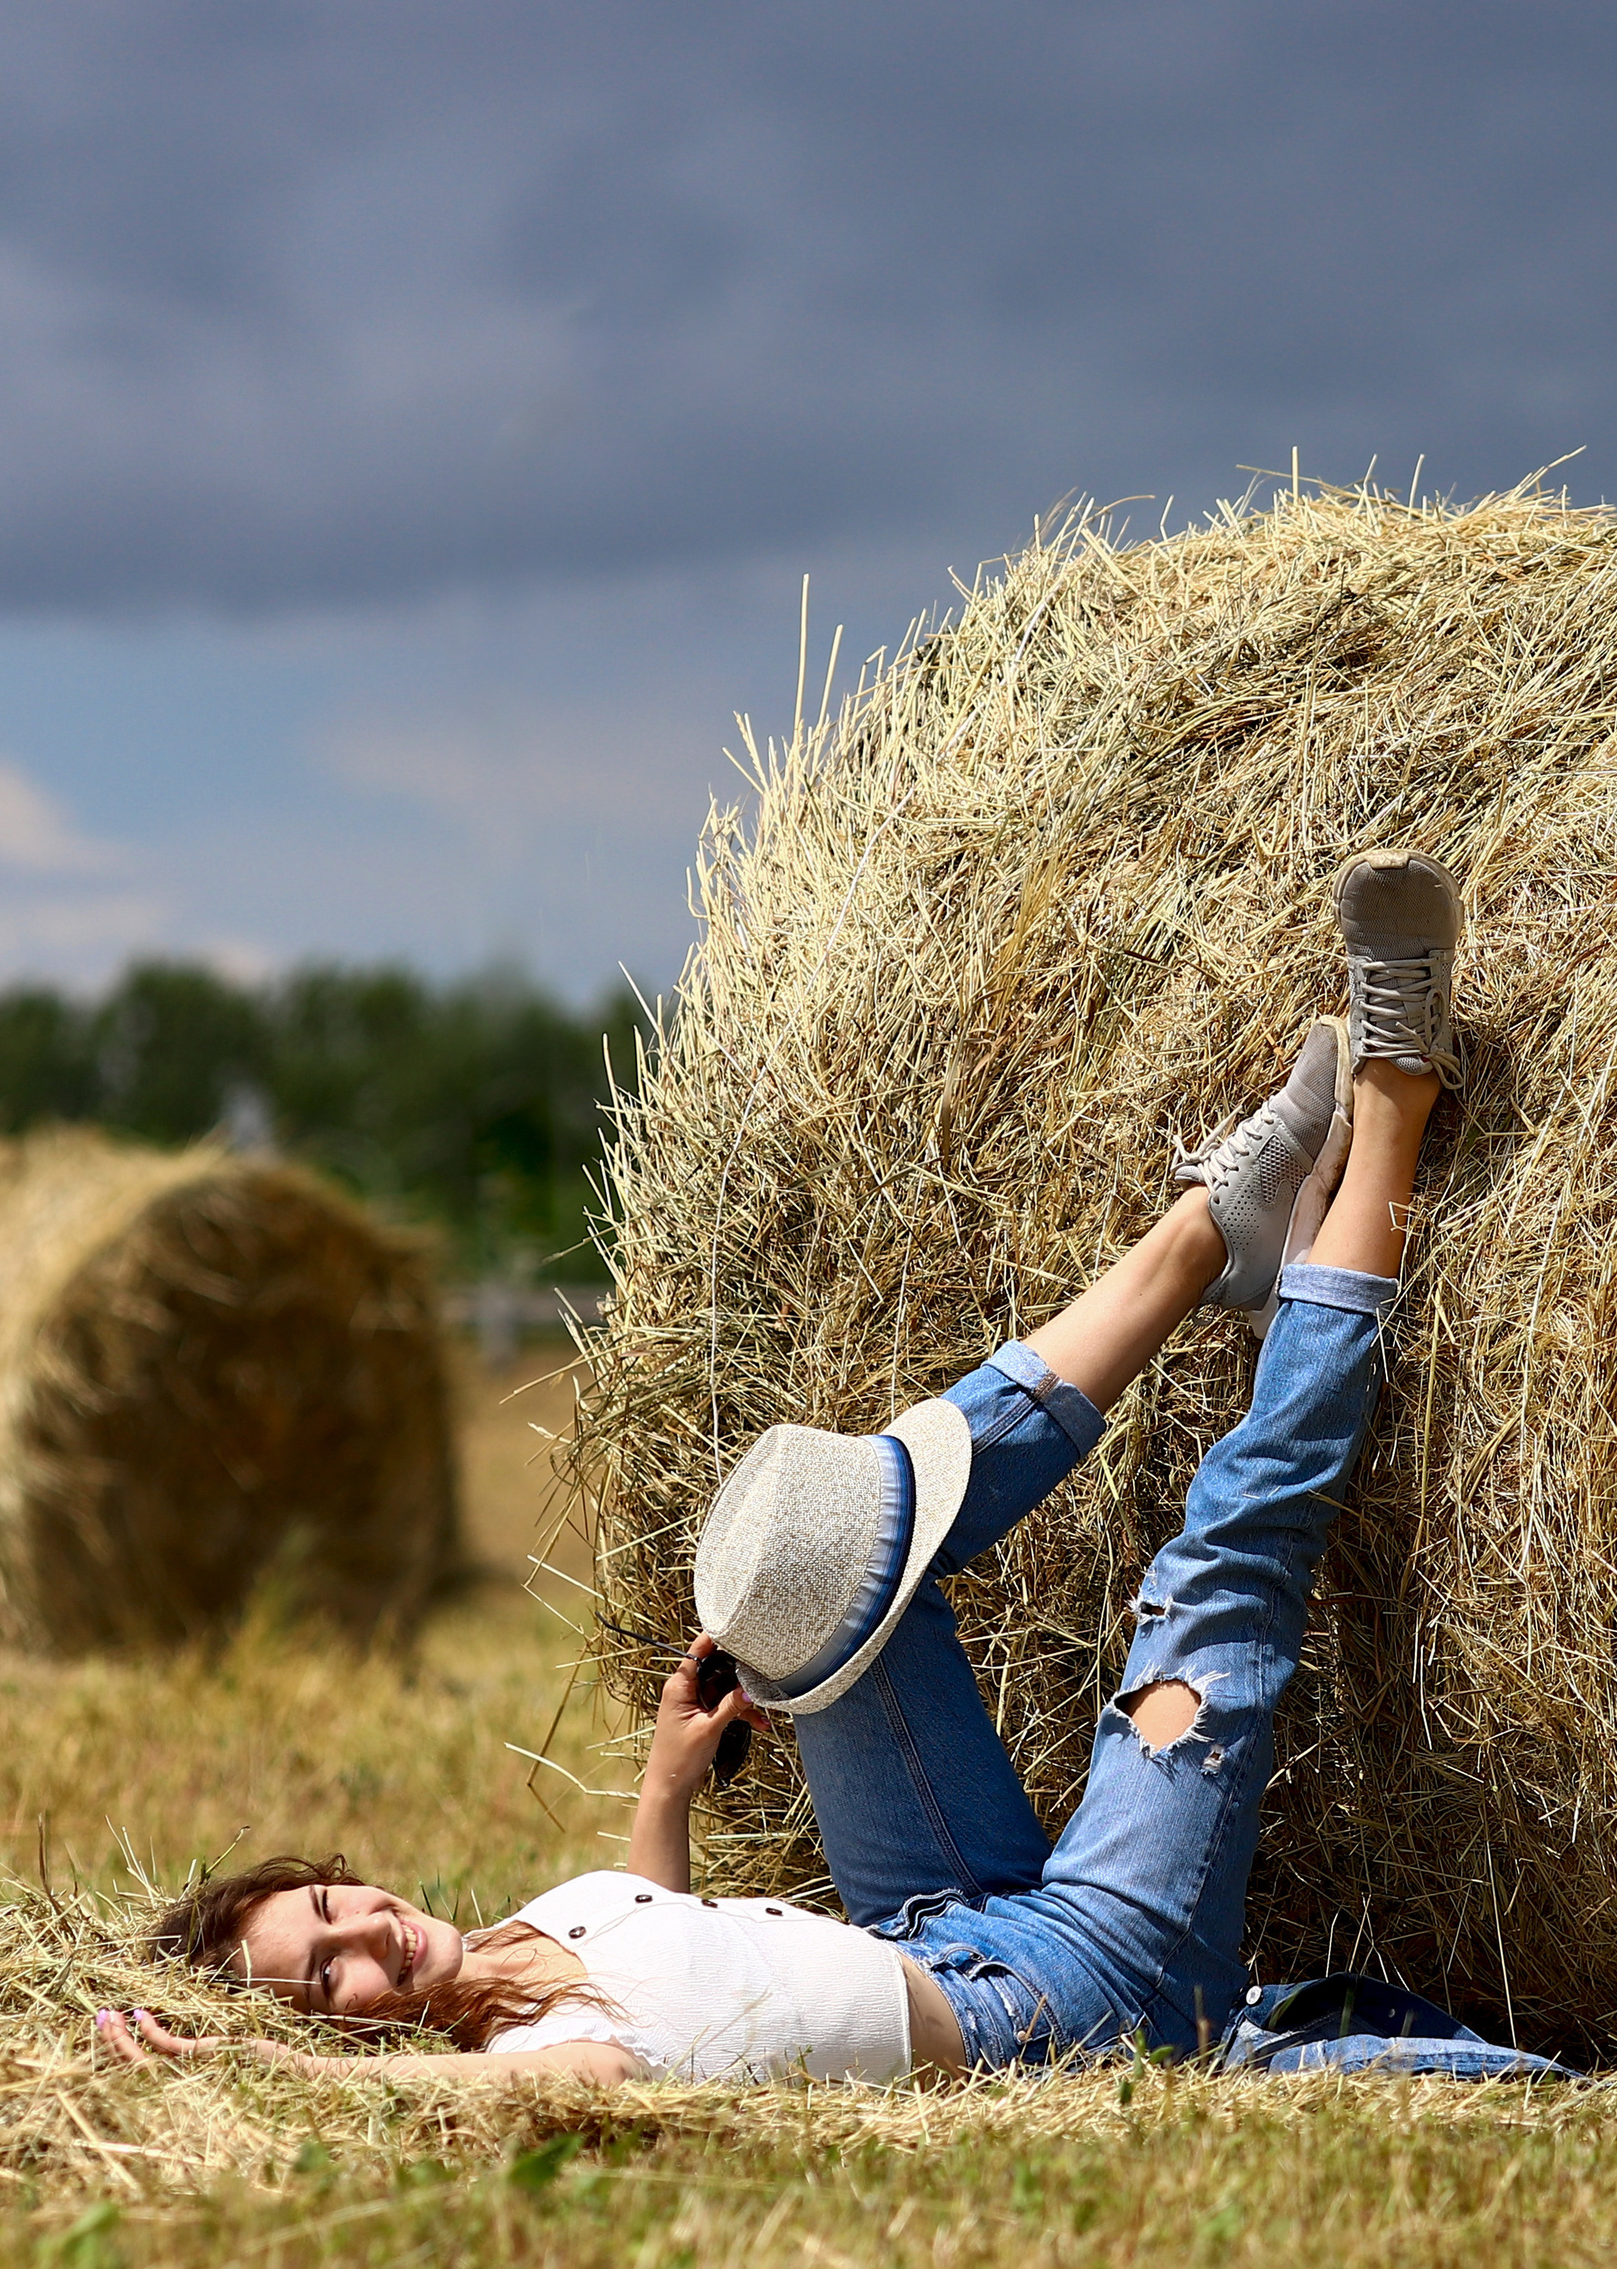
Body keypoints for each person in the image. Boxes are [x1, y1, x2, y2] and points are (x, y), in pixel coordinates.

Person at [95, 850, 1462, 2089]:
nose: (370, 1947)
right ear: (326, 2043)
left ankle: (1201, 1242)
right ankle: (1397, 1093)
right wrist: (255, 2076)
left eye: (333, 1915)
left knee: (826, 1558)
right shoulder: (530, 2061)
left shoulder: (519, 1944)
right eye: (325, 1988)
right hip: (1091, 1989)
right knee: (1218, 1570)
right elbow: (574, 2078)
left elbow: (658, 1934)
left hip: (928, 1909)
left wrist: (662, 1793)